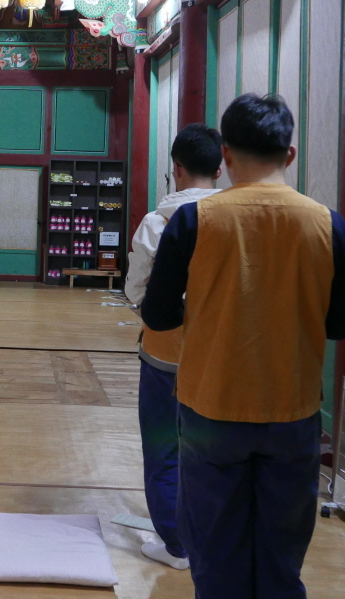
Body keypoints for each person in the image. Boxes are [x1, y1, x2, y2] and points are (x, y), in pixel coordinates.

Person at [142, 94, 345, 599]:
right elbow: (339, 325)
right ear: (290, 155)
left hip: (211, 407)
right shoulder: (330, 225)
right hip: (293, 411)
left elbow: (158, 314)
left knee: (215, 552)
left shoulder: (193, 221)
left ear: (226, 156)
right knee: (282, 556)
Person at [124, 123, 223, 570]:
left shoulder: (157, 222)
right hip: (222, 354)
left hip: (166, 352)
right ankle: (210, 535)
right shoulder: (236, 220)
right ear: (219, 169)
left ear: (176, 168)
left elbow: (135, 290)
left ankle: (175, 545)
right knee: (211, 450)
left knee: (164, 448)